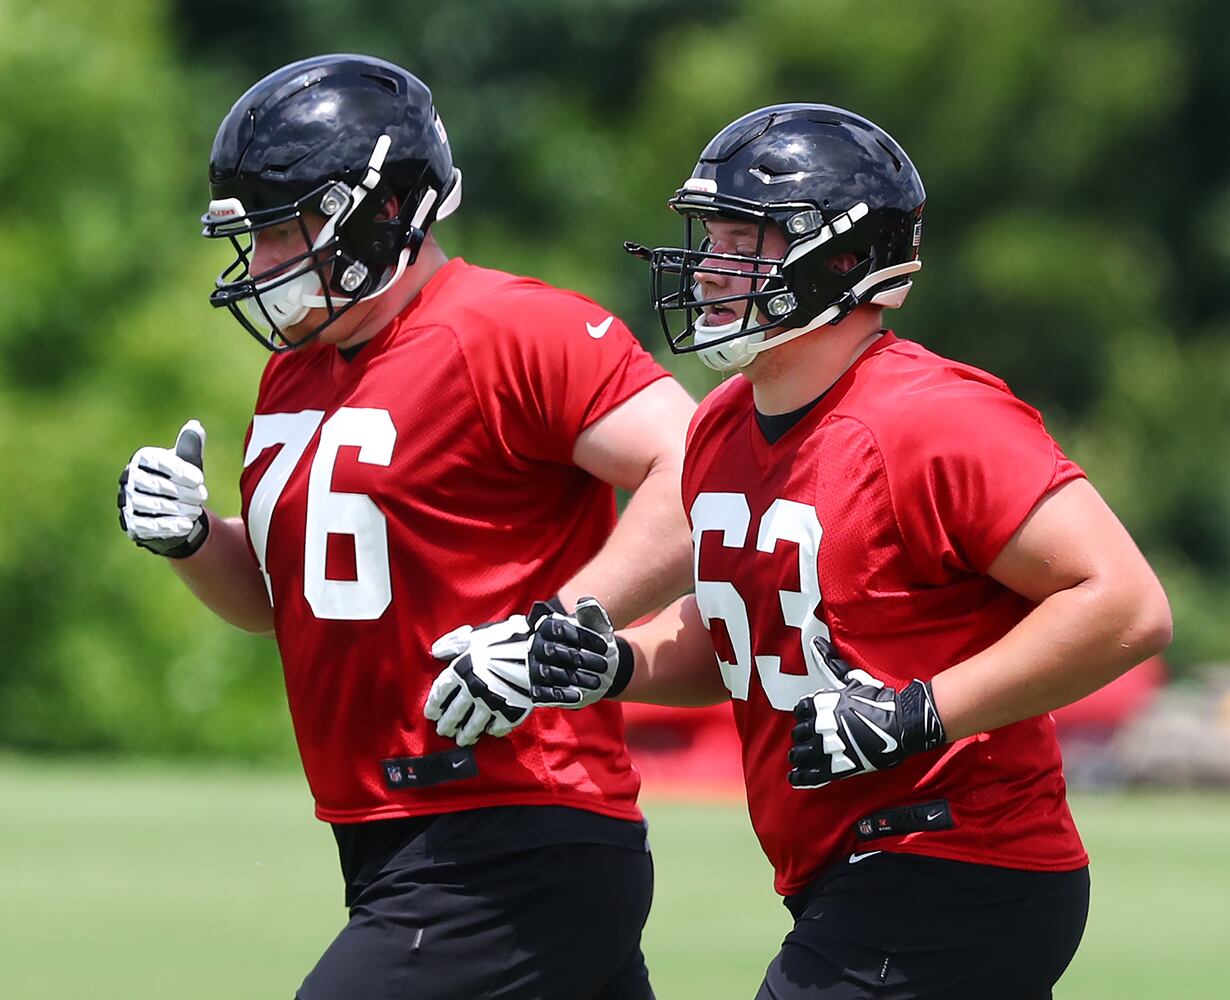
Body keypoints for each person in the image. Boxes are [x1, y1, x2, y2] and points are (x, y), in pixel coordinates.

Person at [514, 104, 1173, 999]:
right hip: (853, 868)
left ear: (840, 260)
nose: (707, 269)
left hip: (957, 858)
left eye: (742, 243)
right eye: (711, 239)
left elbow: (1126, 604)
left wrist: (918, 713)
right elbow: (747, 633)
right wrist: (618, 663)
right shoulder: (721, 426)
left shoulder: (935, 417)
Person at [115, 53, 696, 1000]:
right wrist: (193, 539)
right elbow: (286, 602)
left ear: (380, 211)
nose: (262, 263)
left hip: (516, 823)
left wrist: (554, 626)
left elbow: (696, 471)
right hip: (391, 833)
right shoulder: (297, 370)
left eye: (283, 230)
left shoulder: (510, 329)